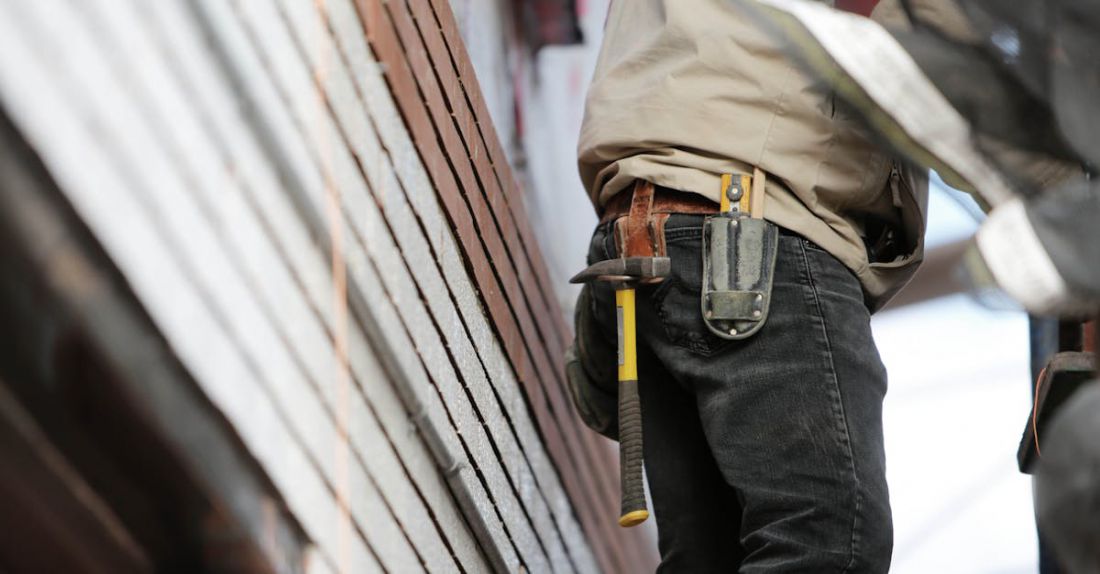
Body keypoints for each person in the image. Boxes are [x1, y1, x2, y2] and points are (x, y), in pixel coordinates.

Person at [568, 0, 928, 571]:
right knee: (830, 541)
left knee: (707, 557)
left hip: (645, 230)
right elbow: (945, 47)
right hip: (751, 229)